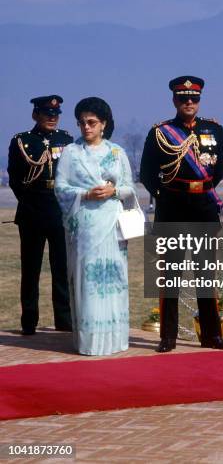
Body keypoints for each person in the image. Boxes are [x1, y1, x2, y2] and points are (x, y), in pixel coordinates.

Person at [140, 76, 223, 353]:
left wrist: (200, 191)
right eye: (183, 98)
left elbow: (217, 172)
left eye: (193, 98)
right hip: (172, 209)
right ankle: (167, 336)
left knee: (206, 275)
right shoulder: (160, 132)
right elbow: (146, 174)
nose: (189, 102)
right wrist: (166, 195)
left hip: (203, 210)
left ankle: (211, 336)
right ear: (174, 100)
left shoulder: (214, 130)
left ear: (199, 100)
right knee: (171, 275)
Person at [55, 97, 135, 356]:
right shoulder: (71, 153)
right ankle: (89, 341)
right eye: (81, 123)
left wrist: (113, 191)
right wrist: (86, 194)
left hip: (112, 227)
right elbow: (60, 188)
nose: (86, 127)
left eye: (91, 122)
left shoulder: (117, 153)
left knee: (113, 281)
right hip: (86, 229)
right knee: (88, 283)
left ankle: (116, 338)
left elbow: (129, 189)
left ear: (104, 124)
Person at [7, 95, 73, 336]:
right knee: (31, 269)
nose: (52, 118)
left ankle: (64, 320)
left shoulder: (66, 140)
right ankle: (29, 321)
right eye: (47, 114)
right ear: (36, 115)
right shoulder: (22, 141)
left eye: (55, 114)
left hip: (59, 211)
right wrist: (29, 203)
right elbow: (15, 179)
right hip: (32, 212)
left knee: (61, 269)